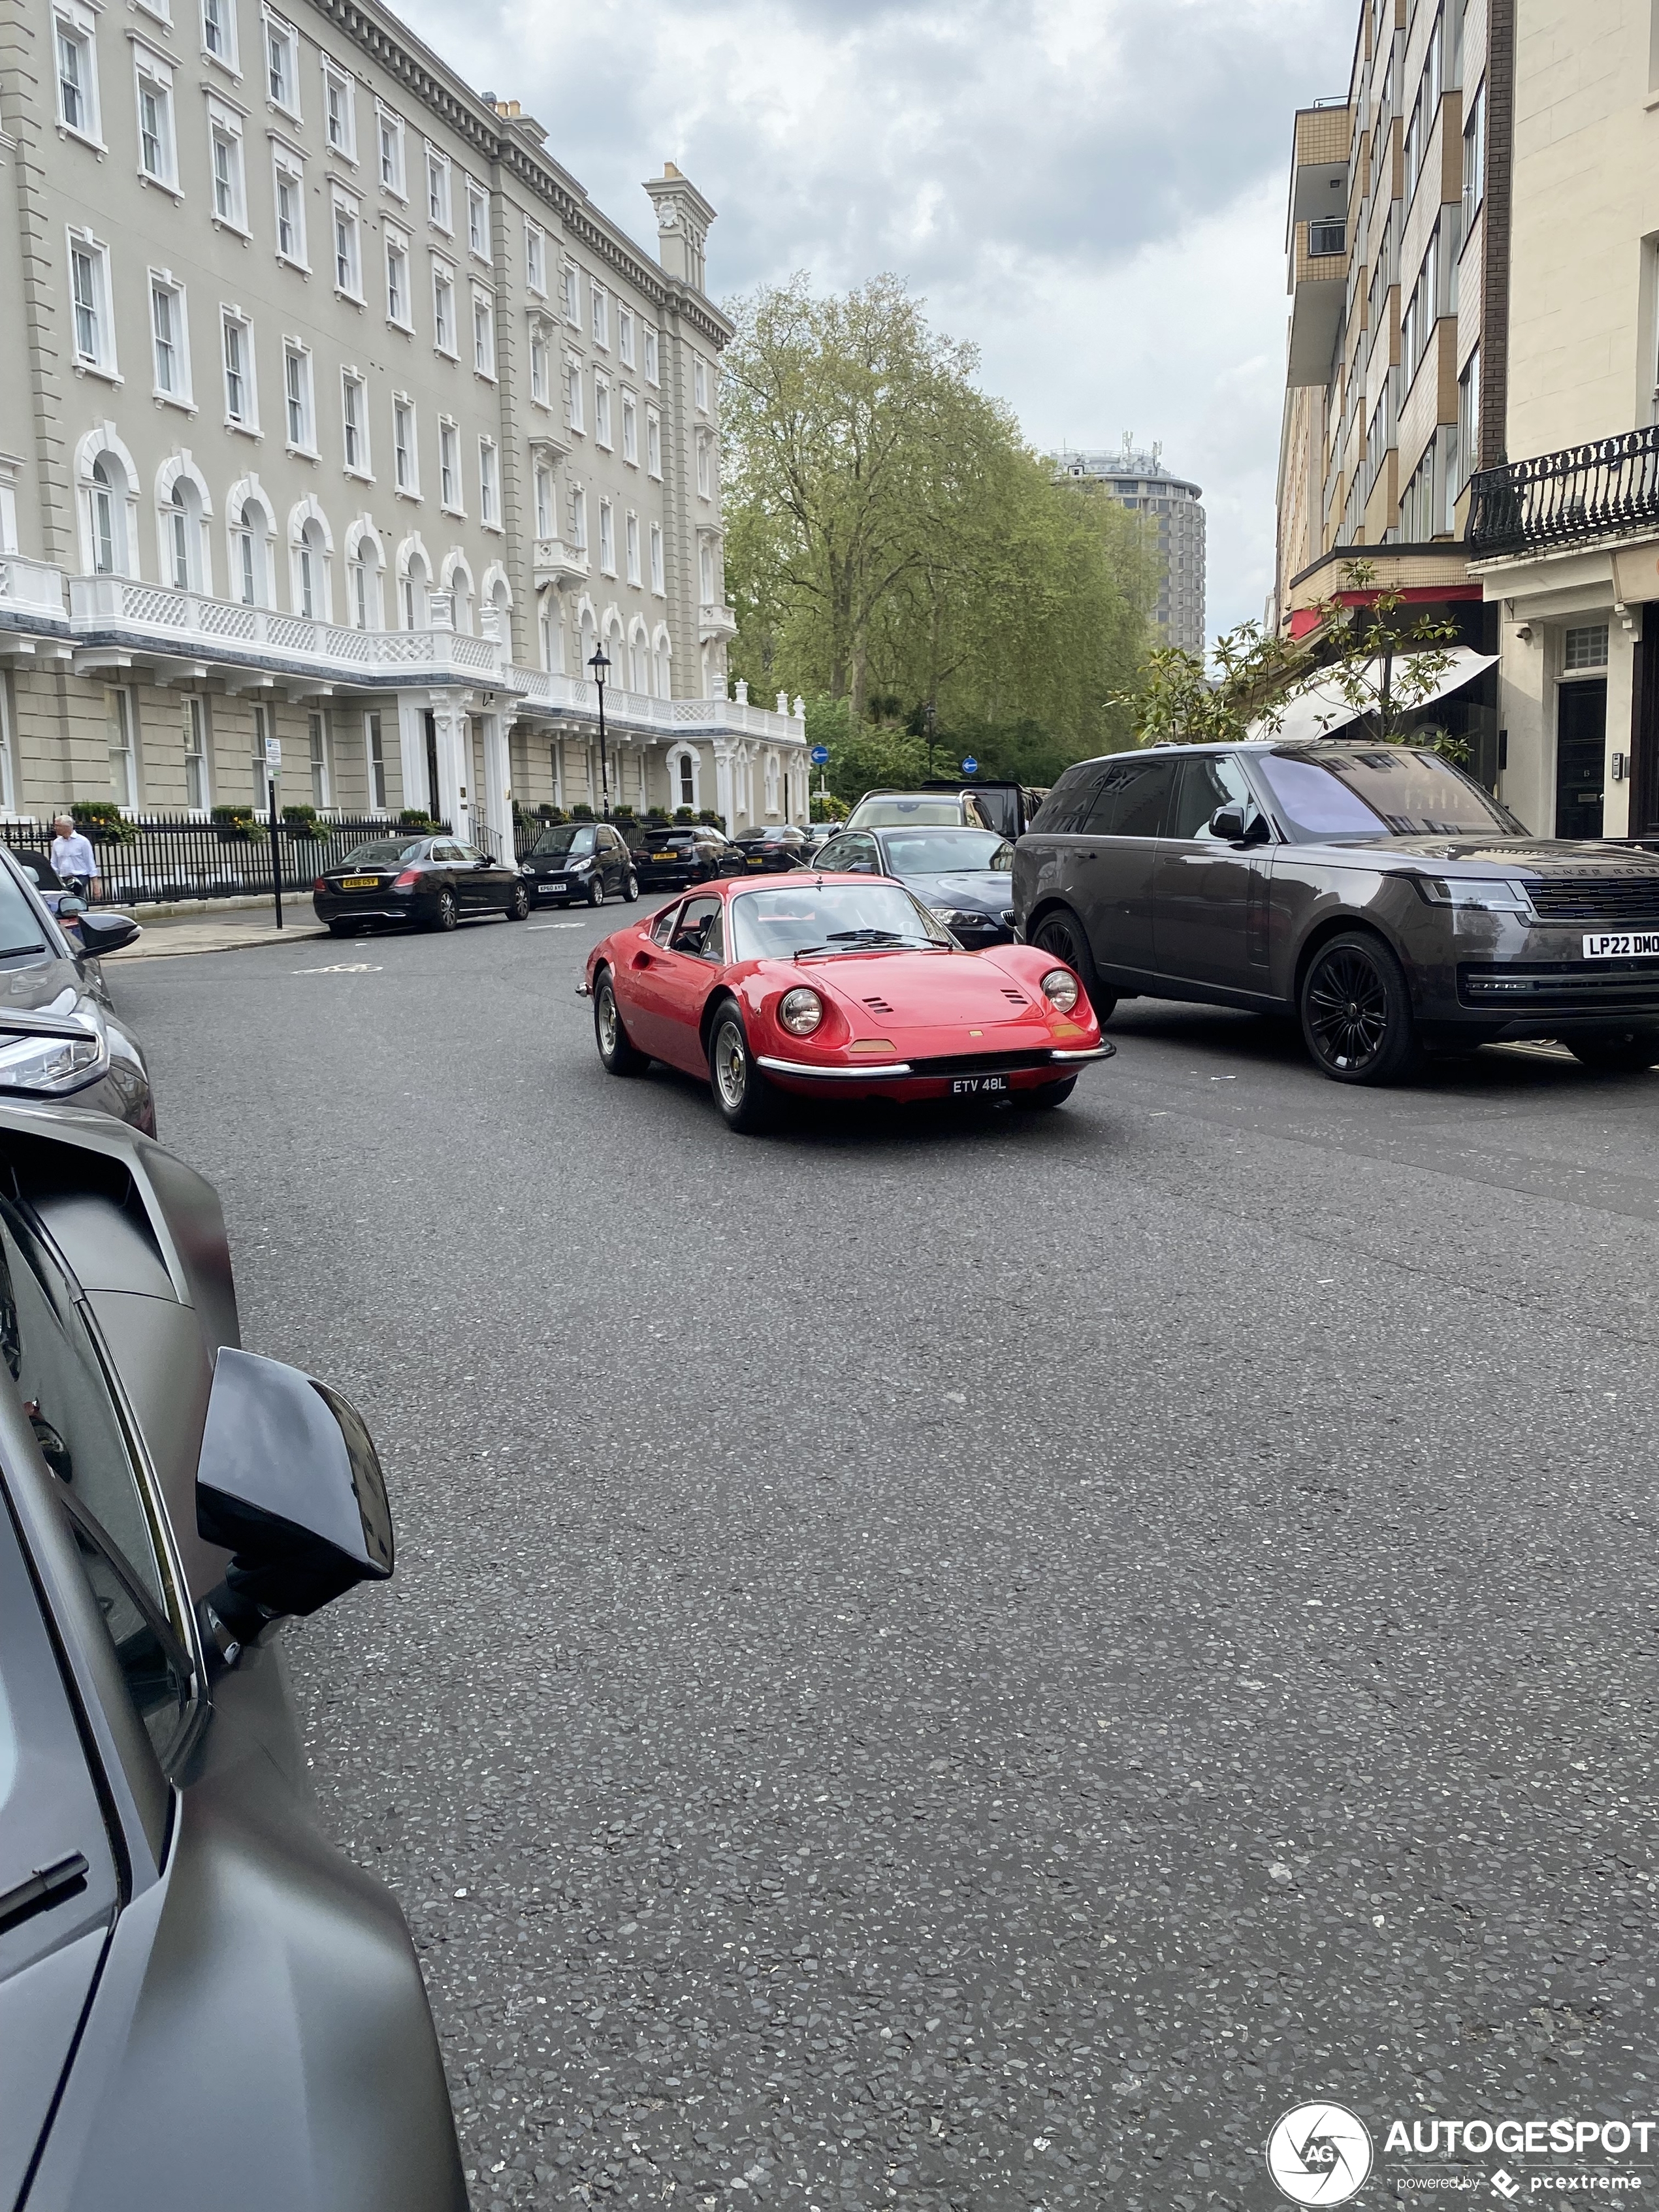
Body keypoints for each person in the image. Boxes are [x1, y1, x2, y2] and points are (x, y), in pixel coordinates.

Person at [48, 814, 99, 900]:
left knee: (76, 900)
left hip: (80, 876)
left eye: (57, 826)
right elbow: (54, 862)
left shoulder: (83, 842)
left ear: (66, 827)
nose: (55, 828)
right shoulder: (57, 843)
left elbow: (90, 863)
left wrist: (96, 885)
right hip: (63, 877)